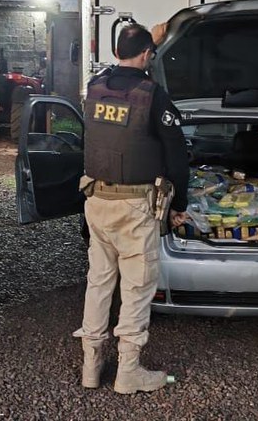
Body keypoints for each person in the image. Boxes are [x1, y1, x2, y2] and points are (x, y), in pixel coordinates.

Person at [73, 24, 189, 394]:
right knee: (137, 286)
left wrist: (150, 40)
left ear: (117, 52)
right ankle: (128, 372)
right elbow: (177, 155)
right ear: (147, 55)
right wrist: (179, 204)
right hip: (135, 208)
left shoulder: (95, 87)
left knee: (99, 282)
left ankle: (91, 367)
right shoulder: (151, 95)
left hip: (97, 201)